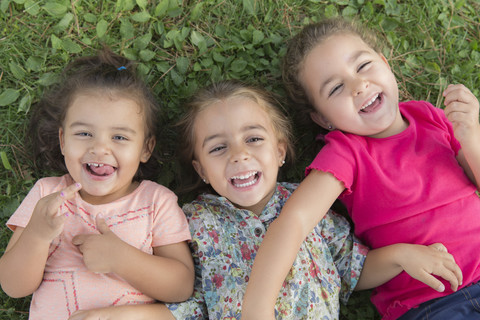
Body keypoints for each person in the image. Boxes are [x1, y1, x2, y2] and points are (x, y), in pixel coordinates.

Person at [68, 80, 461, 320]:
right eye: (218, 148)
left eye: (253, 139)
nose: (239, 154)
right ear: (201, 170)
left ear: (281, 150)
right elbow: (189, 304)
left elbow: (353, 269)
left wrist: (400, 256)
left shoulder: (311, 207)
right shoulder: (195, 222)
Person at [241, 18, 480, 320]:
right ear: (322, 119)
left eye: (363, 66)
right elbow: (294, 222)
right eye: (336, 87)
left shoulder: (429, 116)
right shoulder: (346, 152)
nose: (359, 85)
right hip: (433, 304)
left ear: (384, 62)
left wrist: (470, 136)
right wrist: (257, 308)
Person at [0, 48, 194, 320]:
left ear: (146, 148)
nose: (99, 148)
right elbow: (12, 286)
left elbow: (182, 286)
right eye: (84, 133)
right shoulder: (47, 194)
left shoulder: (156, 202)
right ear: (63, 140)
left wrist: (121, 259)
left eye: (119, 137)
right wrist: (36, 235)